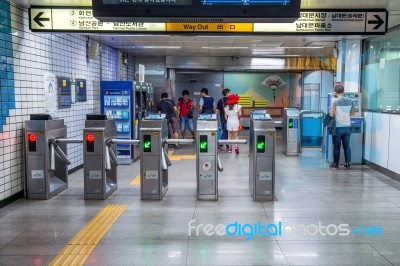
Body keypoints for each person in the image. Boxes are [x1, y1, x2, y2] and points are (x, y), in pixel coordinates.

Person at [329, 85, 355, 169]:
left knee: (336, 147)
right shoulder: (350, 100)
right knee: (347, 146)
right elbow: (353, 113)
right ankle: (347, 163)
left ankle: (336, 164)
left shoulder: (335, 101)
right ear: (344, 91)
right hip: (347, 126)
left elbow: (331, 114)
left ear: (335, 92)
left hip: (338, 127)